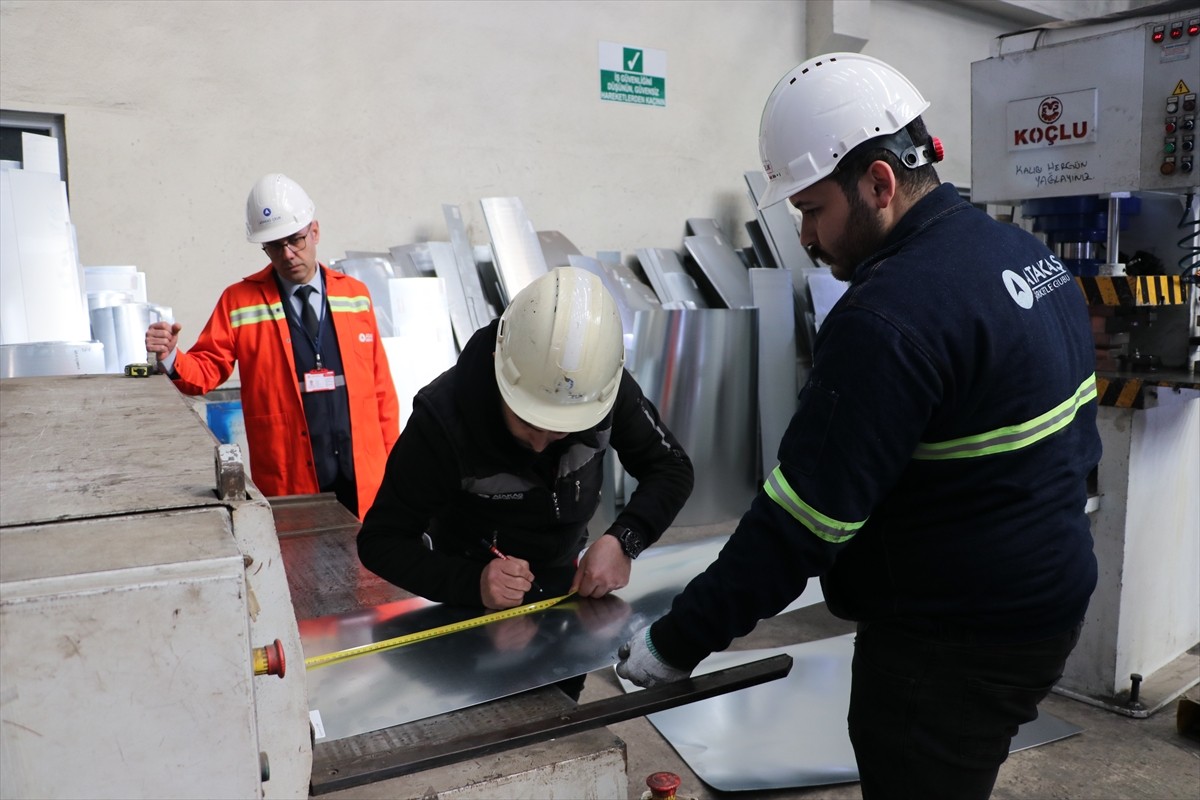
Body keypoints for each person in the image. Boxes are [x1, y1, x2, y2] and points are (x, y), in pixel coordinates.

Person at [616, 53, 1101, 799]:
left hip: (951, 644)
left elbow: (799, 524)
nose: (807, 236)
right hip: (1043, 603)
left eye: (813, 210)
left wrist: (673, 644)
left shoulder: (888, 317)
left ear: (879, 181)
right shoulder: (1023, 257)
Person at [357, 266, 694, 678]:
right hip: (470, 603)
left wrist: (625, 539)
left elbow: (671, 467)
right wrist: (473, 582)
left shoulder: (601, 389)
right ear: (504, 377)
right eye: (529, 422)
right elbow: (380, 541)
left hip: (569, 590)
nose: (541, 442)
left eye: (562, 428)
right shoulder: (442, 423)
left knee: (561, 713)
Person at [145, 173, 400, 519]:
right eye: (275, 245)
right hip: (291, 479)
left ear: (315, 231)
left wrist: (394, 468)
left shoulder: (355, 295)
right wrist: (172, 356)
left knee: (371, 567)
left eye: (295, 240)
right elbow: (206, 370)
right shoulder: (239, 302)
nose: (287, 254)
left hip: (365, 478)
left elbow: (381, 391)